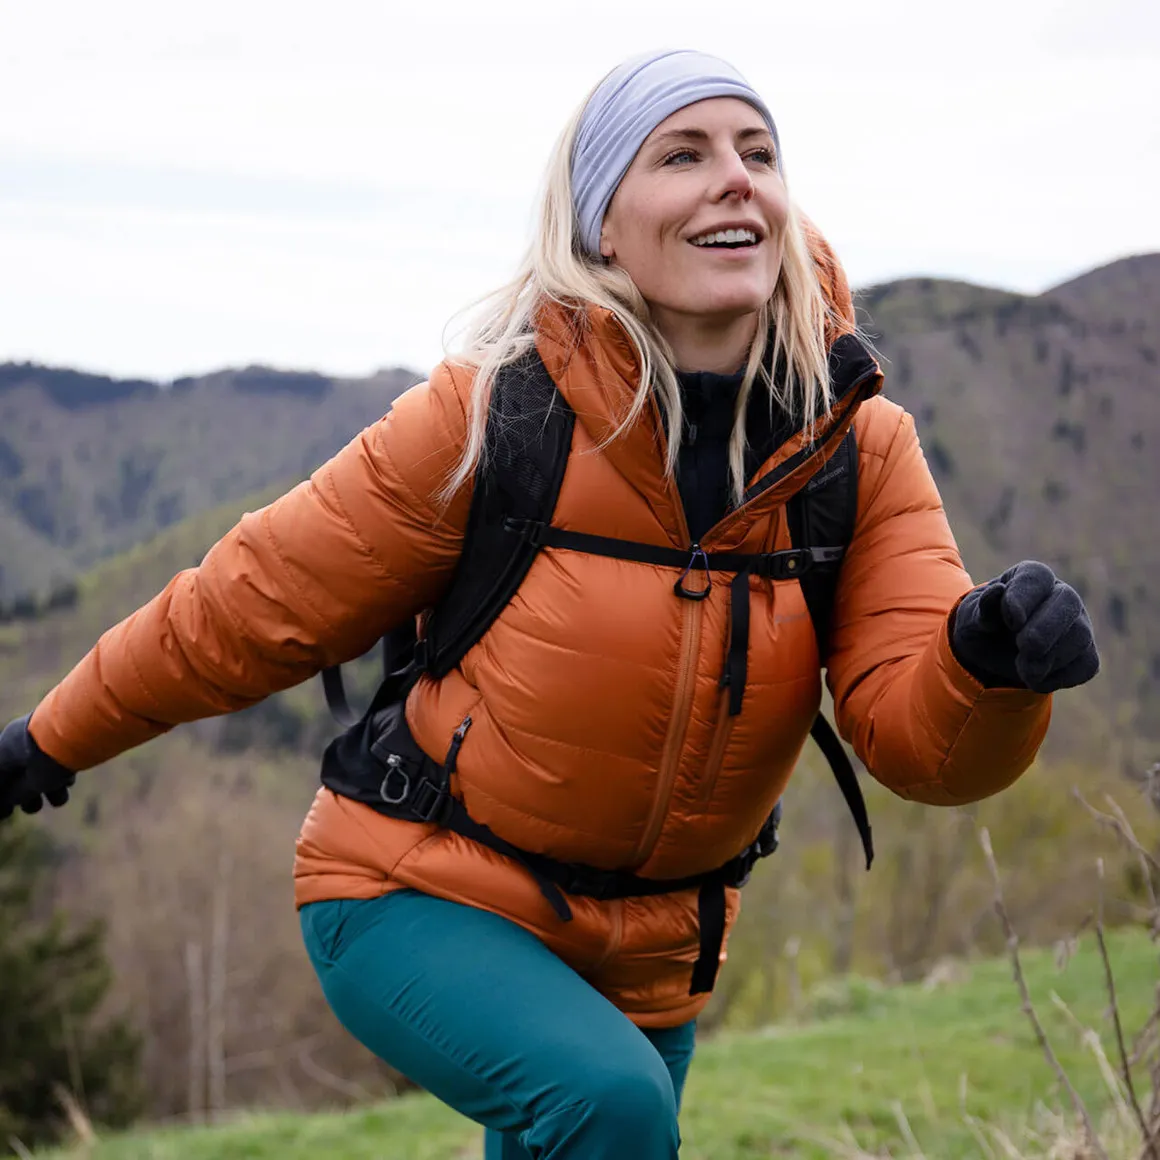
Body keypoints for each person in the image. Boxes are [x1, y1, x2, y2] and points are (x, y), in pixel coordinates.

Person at [0, 49, 1098, 1160]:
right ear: (599, 230)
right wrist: (53, 735)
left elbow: (920, 746)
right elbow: (245, 605)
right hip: (414, 896)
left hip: (655, 953)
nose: (736, 178)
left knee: (604, 1112)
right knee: (612, 1108)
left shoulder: (858, 448)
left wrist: (984, 666)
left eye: (757, 154)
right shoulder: (493, 419)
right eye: (683, 153)